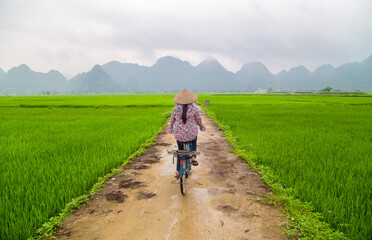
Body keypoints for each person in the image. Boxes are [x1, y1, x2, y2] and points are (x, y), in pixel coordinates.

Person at [169, 89, 206, 178]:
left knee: (180, 150)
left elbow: (172, 120)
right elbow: (198, 120)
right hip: (191, 133)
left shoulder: (176, 108)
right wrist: (201, 127)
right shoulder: (193, 108)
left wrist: (171, 128)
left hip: (179, 135)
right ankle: (193, 157)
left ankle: (178, 171)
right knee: (194, 140)